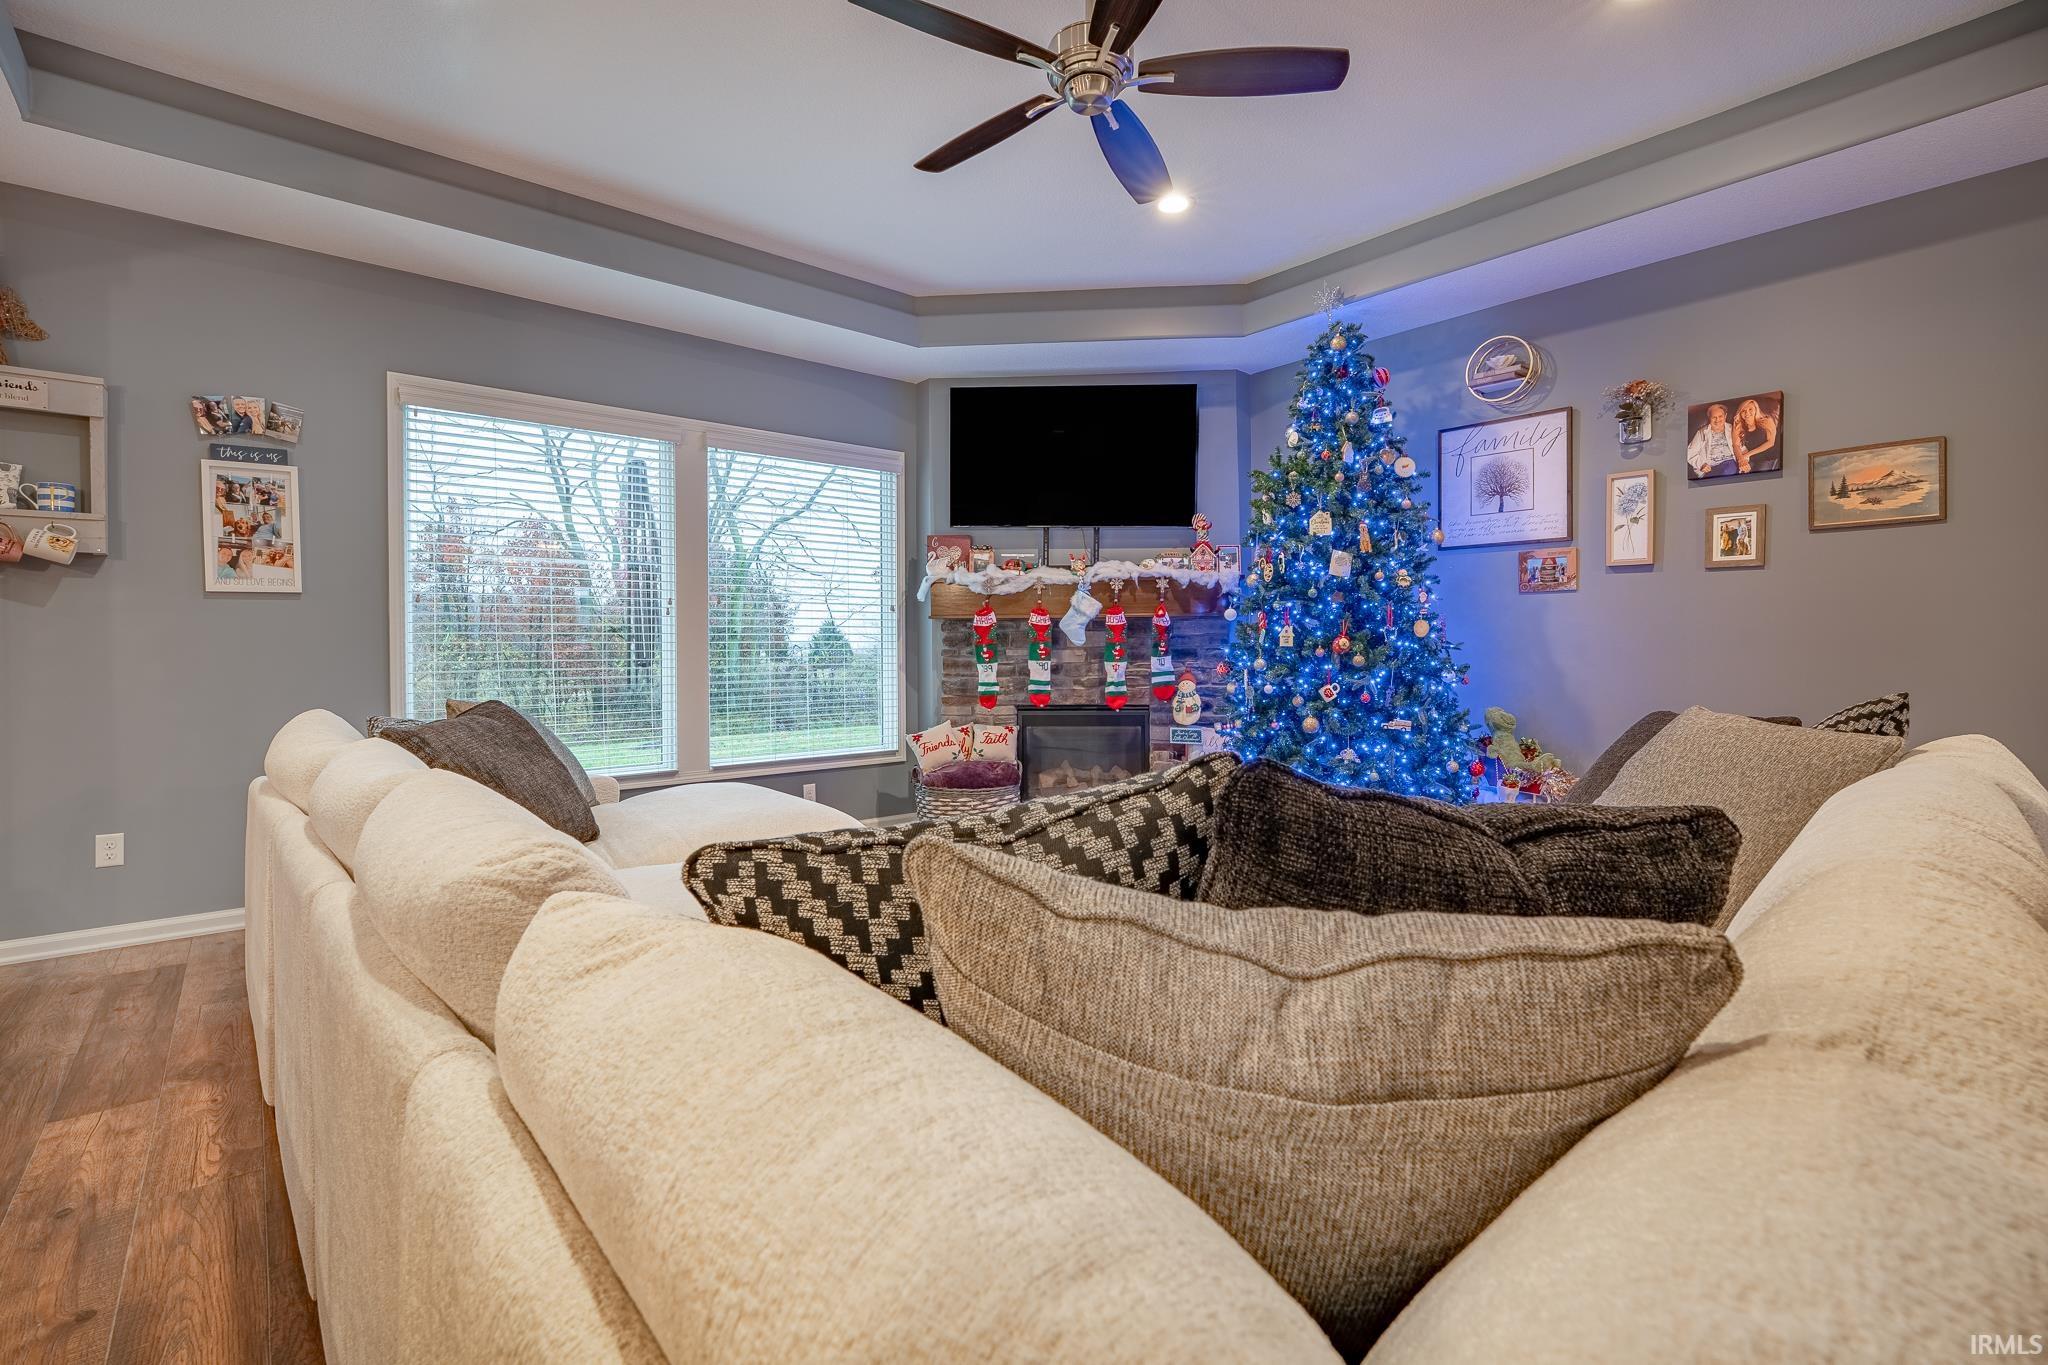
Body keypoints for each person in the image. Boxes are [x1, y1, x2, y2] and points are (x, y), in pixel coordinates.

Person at [1687, 404, 1737, 478]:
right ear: (1709, 418)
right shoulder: (1702, 432)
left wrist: (1744, 461)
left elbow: (1740, 446)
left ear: (1725, 416)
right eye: (1714, 417)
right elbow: (1690, 452)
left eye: (1720, 416)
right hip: (1710, 468)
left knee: (1728, 469)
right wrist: (1702, 464)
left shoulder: (1732, 429)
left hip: (1729, 462)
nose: (1717, 420)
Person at [1732, 397, 1779, 473]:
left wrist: (1747, 455)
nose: (1747, 413)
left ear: (1756, 410)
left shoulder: (1767, 420)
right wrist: (1741, 460)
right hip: (1751, 458)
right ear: (1740, 413)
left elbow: (1771, 443)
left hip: (1769, 456)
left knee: (1759, 474)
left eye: (1750, 409)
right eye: (1743, 411)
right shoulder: (1738, 425)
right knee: (1743, 474)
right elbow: (1735, 445)